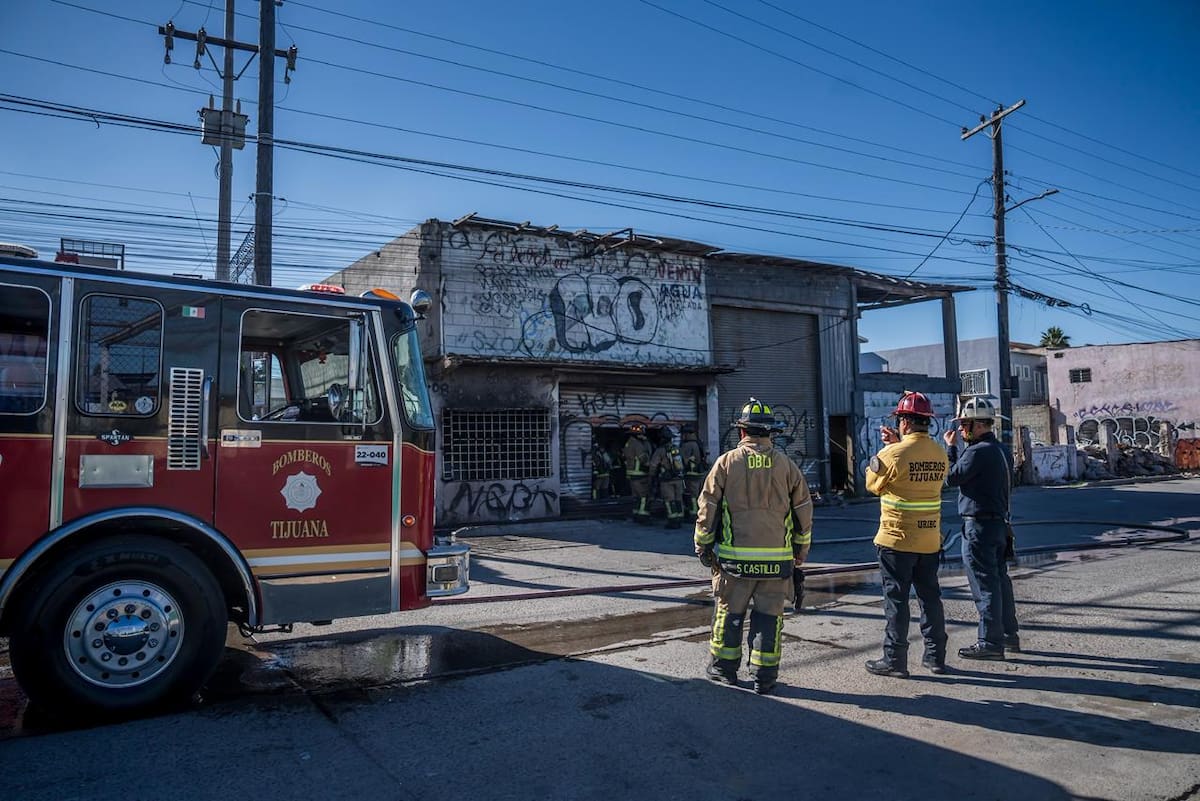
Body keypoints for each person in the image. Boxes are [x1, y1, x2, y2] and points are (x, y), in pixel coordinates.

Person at [694, 398, 813, 694]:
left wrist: (703, 545)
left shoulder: (726, 462)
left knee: (729, 614)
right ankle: (764, 676)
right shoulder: (787, 465)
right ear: (770, 432)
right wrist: (800, 552)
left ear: (742, 432)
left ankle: (723, 670)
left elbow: (707, 507)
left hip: (735, 564)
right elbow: (803, 512)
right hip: (777, 564)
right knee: (769, 618)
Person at [863, 391, 950, 678]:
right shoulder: (939, 452)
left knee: (896, 601)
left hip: (896, 540)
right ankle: (935, 657)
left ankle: (895, 661)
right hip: (929, 540)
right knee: (930, 598)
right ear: (927, 422)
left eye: (900, 419)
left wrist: (887, 451)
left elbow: (873, 484)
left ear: (904, 422)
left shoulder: (892, 453)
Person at [944, 397, 1020, 660]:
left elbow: (952, 477)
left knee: (984, 584)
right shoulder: (1001, 449)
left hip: (979, 526)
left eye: (965, 424)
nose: (962, 429)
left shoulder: (977, 452)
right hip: (998, 524)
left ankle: (989, 642)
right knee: (1000, 582)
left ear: (978, 425)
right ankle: (1009, 635)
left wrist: (951, 449)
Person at [649, 428, 686, 529]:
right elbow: (683, 462)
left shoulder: (660, 451)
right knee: (678, 499)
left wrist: (651, 476)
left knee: (669, 500)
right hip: (678, 479)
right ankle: (679, 519)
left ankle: (672, 521)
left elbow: (653, 465)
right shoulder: (677, 449)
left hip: (667, 480)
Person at [622, 422, 653, 524]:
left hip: (632, 475)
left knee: (636, 497)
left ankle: (636, 514)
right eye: (641, 434)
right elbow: (644, 459)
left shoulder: (628, 443)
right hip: (640, 474)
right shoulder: (637, 444)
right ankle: (642, 516)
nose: (643, 436)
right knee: (644, 496)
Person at [679, 423, 707, 517]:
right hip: (700, 473)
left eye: (683, 434)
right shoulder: (699, 443)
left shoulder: (687, 445)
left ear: (687, 434)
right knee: (699, 494)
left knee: (692, 496)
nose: (682, 436)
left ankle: (693, 513)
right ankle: (700, 511)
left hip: (691, 475)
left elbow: (682, 460)